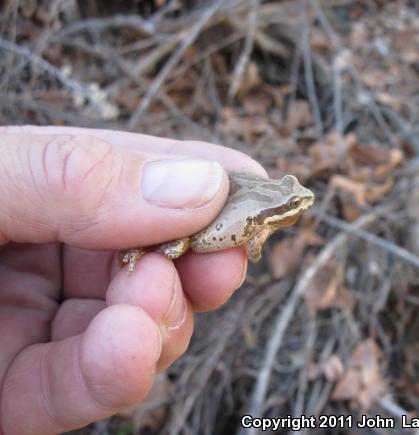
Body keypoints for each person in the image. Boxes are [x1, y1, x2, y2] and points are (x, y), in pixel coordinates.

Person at [0, 126, 266, 435]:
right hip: (192, 233)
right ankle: (139, 251)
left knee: (141, 321)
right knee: (171, 255)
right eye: (292, 203)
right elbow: (254, 248)